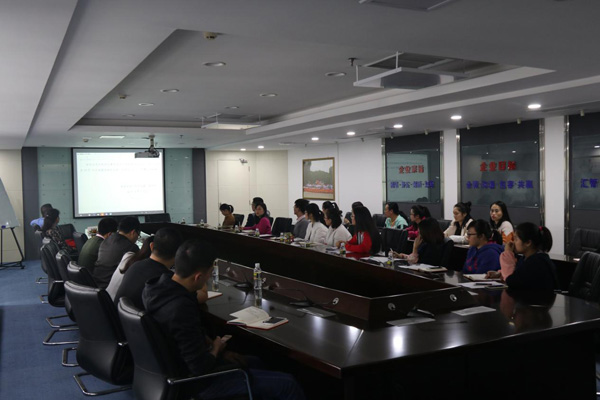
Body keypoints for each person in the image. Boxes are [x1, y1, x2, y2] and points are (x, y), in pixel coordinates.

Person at [142, 239, 306, 400]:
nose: (209, 278)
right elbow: (200, 367)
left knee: (254, 361)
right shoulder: (180, 309)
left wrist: (217, 349)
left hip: (174, 371)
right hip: (198, 383)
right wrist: (216, 348)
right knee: (288, 384)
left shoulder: (157, 288)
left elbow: (186, 337)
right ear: (198, 277)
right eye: (209, 274)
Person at [113, 227, 185, 308]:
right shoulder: (165, 279)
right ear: (178, 254)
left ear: (151, 246)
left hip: (116, 314)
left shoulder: (135, 265)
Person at [486, 222, 559, 291]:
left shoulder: (537, 262)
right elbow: (517, 273)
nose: (512, 242)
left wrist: (507, 254)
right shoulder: (526, 258)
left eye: (516, 239)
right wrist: (500, 274)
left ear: (528, 243)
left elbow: (512, 282)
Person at [93, 217, 140, 289]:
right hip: (109, 288)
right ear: (133, 232)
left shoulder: (106, 240)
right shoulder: (131, 248)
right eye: (138, 235)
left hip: (96, 283)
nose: (137, 238)